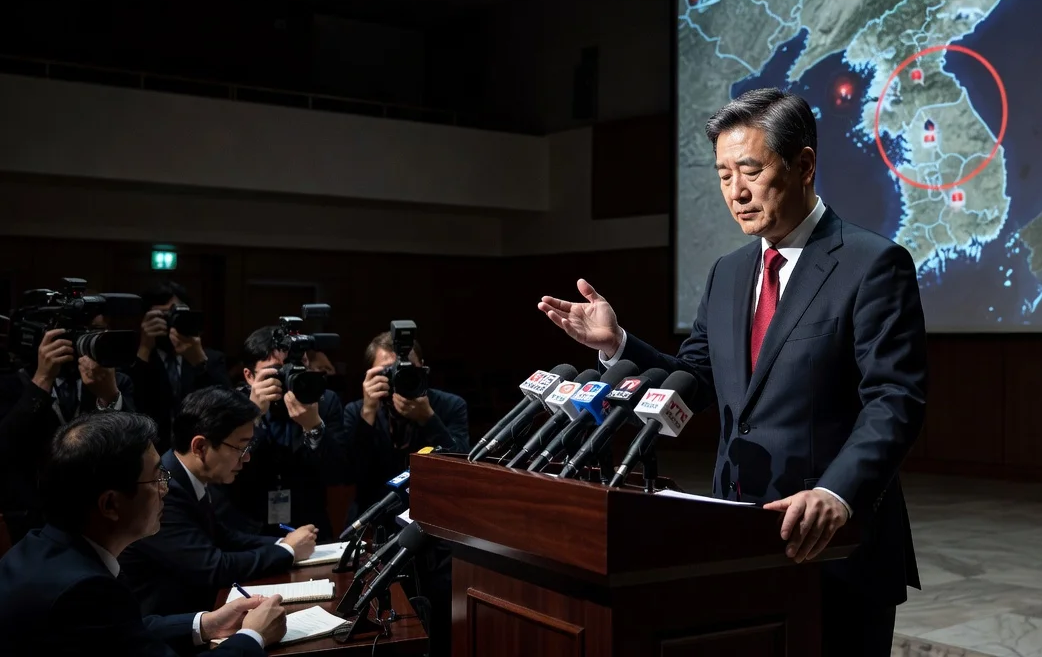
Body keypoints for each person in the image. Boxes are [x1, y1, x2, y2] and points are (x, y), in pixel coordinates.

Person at [538, 88, 927, 657]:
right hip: (732, 540)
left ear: (804, 165)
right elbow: (696, 379)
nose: (736, 193)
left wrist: (837, 493)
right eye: (723, 176)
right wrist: (617, 343)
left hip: (832, 546)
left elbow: (895, 399)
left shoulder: (873, 264)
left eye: (750, 170)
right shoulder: (728, 272)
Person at [0, 411, 287, 655]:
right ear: (110, 504)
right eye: (156, 478)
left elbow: (124, 631)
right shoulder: (82, 589)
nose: (165, 489)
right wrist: (253, 636)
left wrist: (207, 623)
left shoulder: (45, 546)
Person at [119, 387, 319, 616]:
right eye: (240, 447)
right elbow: (212, 567)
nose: (247, 457)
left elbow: (224, 537)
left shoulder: (190, 476)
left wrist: (283, 541)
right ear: (200, 447)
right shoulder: (164, 490)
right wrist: (287, 550)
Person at [0, 324, 136, 540]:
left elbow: (136, 445)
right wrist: (42, 380)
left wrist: (109, 396)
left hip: (99, 515)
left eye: (95, 331)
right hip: (33, 521)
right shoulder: (12, 383)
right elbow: (6, 447)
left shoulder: (116, 381)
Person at [216, 326, 348, 536]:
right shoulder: (231, 406)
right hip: (248, 527)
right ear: (249, 376)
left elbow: (338, 475)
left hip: (308, 525)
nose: (289, 376)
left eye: (298, 366)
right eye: (278, 370)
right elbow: (224, 473)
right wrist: (253, 416)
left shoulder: (324, 401)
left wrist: (313, 426)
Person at [337, 332, 469, 521]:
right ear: (369, 375)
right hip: (372, 518)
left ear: (423, 368)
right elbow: (350, 475)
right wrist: (368, 413)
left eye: (407, 370)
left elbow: (463, 469)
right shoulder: (355, 411)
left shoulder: (450, 405)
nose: (398, 378)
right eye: (388, 372)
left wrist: (428, 418)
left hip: (433, 518)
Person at [129, 281, 231, 451]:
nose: (171, 321)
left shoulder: (211, 358)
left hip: (198, 452)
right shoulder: (136, 358)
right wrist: (145, 348)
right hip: (146, 450)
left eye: (176, 314)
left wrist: (198, 360)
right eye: (162, 315)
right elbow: (130, 404)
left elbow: (228, 405)